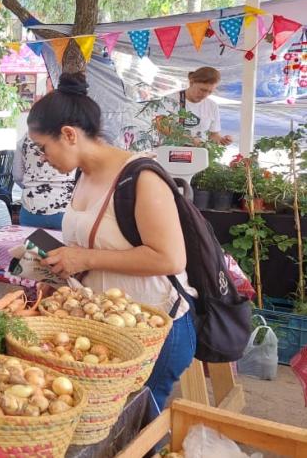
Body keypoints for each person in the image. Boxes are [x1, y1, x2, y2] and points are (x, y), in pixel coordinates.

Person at [34, 73, 197, 409]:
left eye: (43, 147)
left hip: (153, 330)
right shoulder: (84, 175)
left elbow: (170, 259)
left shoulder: (141, 176)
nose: (42, 158)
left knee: (137, 431)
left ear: (68, 135)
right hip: (107, 331)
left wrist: (84, 259)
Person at [13, 134, 76, 230]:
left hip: (31, 208)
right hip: (65, 209)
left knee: (31, 244)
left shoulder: (24, 140)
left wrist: (32, 187)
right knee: (66, 244)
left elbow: (17, 175)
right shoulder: (70, 137)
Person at [162, 66, 232, 146]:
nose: (205, 95)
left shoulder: (212, 105)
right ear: (191, 82)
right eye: (202, 90)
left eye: (210, 92)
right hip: (171, 153)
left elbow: (213, 135)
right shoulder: (169, 100)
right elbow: (161, 127)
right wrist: (189, 139)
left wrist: (222, 140)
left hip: (199, 153)